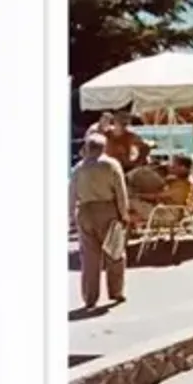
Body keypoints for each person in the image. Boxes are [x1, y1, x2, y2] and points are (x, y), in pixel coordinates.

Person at [71, 131, 129, 309]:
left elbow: (71, 194)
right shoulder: (111, 165)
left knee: (89, 257)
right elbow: (120, 191)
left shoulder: (78, 169)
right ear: (104, 147)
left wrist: (71, 216)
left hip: (85, 211)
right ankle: (115, 291)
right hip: (108, 210)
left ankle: (90, 297)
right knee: (115, 252)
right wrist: (124, 213)